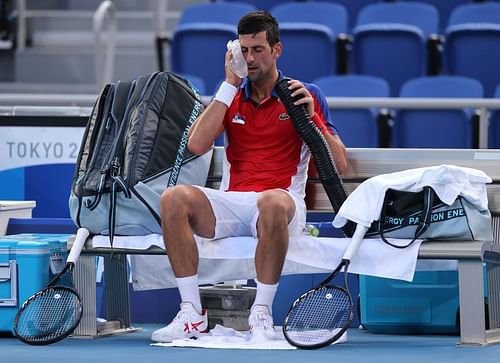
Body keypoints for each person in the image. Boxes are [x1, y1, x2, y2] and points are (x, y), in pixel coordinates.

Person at [151, 10, 347, 343]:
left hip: (281, 203)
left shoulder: (305, 93)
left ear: (277, 50)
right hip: (232, 203)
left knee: (271, 201)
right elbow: (197, 145)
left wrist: (311, 119)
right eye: (243, 50)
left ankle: (261, 314)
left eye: (257, 49)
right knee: (173, 198)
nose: (250, 58)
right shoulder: (230, 96)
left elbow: (338, 164)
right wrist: (229, 84)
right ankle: (191, 314)